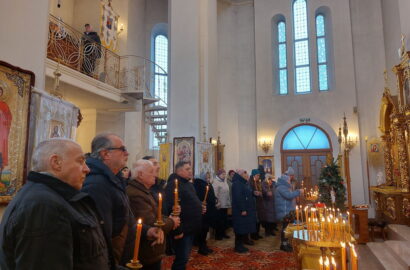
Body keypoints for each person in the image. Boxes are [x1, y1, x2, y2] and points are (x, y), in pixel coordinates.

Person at [0, 138, 111, 269]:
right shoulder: (43, 205)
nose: (87, 169)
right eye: (80, 161)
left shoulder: (55, 198)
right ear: (56, 162)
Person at [82, 133, 163, 267]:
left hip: (123, 256)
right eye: (122, 149)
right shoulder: (96, 184)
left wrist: (146, 231)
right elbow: (100, 236)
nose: (127, 153)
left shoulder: (114, 179)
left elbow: (125, 219)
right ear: (105, 154)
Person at [127, 160, 181, 270]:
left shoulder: (144, 190)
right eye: (151, 171)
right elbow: (150, 222)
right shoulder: (136, 194)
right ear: (141, 174)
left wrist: (169, 218)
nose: (155, 175)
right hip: (145, 251)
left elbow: (157, 215)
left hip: (151, 250)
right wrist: (172, 221)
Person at [164, 161, 205, 270]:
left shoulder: (188, 184)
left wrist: (200, 206)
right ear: (179, 171)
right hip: (182, 230)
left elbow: (190, 201)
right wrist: (178, 231)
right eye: (187, 169)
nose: (190, 171)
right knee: (181, 259)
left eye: (190, 168)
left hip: (191, 228)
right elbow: (170, 209)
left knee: (184, 257)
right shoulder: (173, 185)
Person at [275, 167, 303, 252]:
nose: (290, 181)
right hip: (284, 211)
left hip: (287, 210)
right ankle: (283, 245)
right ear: (286, 180)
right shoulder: (281, 187)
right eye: (289, 180)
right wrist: (299, 191)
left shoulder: (284, 186)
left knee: (287, 228)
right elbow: (288, 196)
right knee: (285, 228)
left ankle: (286, 243)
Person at [231, 170, 257, 253]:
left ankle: (241, 244)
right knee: (240, 228)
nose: (247, 175)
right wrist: (243, 209)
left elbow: (246, 193)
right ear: (240, 175)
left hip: (244, 209)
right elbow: (238, 197)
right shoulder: (237, 183)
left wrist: (253, 192)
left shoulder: (242, 182)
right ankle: (238, 246)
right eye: (245, 173)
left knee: (243, 228)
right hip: (240, 210)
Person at [193, 171, 217, 256]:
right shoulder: (198, 185)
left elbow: (211, 195)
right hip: (202, 211)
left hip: (209, 210)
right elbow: (198, 197)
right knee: (202, 230)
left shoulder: (207, 184)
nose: (208, 178)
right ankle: (201, 248)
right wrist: (201, 203)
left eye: (208, 177)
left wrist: (215, 199)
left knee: (206, 229)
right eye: (206, 177)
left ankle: (204, 246)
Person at [212, 169, 231, 240]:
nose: (224, 175)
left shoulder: (224, 181)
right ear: (218, 175)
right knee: (219, 221)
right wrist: (217, 203)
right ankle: (218, 235)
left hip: (225, 204)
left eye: (224, 174)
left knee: (224, 220)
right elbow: (215, 194)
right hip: (219, 205)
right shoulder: (215, 182)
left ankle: (223, 233)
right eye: (223, 174)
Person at [249, 169, 265, 240]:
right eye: (257, 175)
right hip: (254, 203)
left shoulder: (258, 182)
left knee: (258, 220)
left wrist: (261, 193)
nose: (258, 176)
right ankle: (253, 235)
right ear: (253, 175)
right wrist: (254, 192)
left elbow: (260, 190)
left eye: (259, 175)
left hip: (259, 203)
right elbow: (249, 191)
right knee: (254, 220)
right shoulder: (250, 182)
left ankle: (257, 234)